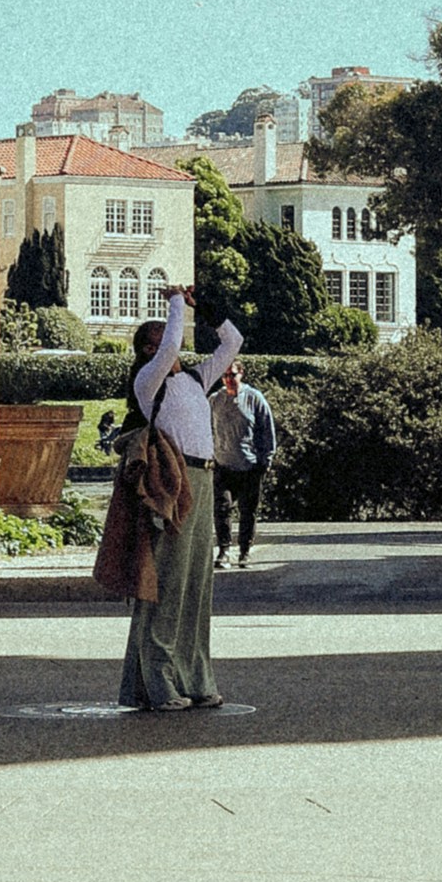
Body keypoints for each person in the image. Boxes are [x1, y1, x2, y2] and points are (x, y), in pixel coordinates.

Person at [116, 284, 240, 714]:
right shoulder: (148, 381)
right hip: (173, 481)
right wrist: (173, 303)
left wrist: (203, 304)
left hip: (204, 480)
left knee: (196, 585)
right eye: (157, 342)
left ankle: (195, 676)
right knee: (165, 580)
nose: (172, 348)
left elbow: (233, 343)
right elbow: (171, 344)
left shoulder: (192, 379)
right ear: (146, 350)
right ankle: (157, 680)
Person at [209, 355, 276, 564]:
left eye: (233, 375)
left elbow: (267, 428)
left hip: (249, 465)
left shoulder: (254, 398)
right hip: (223, 463)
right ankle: (224, 550)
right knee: (222, 509)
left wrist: (267, 458)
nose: (229, 379)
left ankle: (245, 550)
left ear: (242, 374)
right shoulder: (215, 400)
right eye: (225, 376)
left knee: (248, 512)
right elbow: (206, 428)